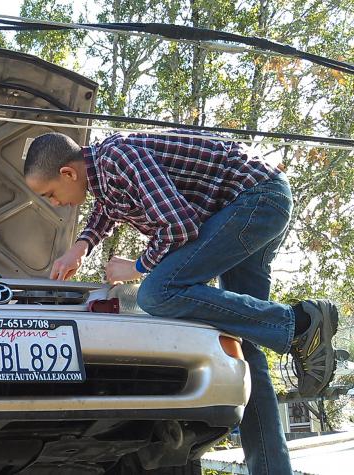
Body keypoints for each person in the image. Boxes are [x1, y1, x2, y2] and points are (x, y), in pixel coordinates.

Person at [23, 130, 340, 474]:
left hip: (255, 200)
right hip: (254, 201)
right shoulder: (103, 170)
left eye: (50, 194)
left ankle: (299, 324)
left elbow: (179, 227)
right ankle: (272, 469)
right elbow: (107, 207)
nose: (54, 203)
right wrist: (80, 246)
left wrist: (136, 267)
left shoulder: (119, 158)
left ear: (68, 173)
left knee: (158, 292)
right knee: (245, 348)